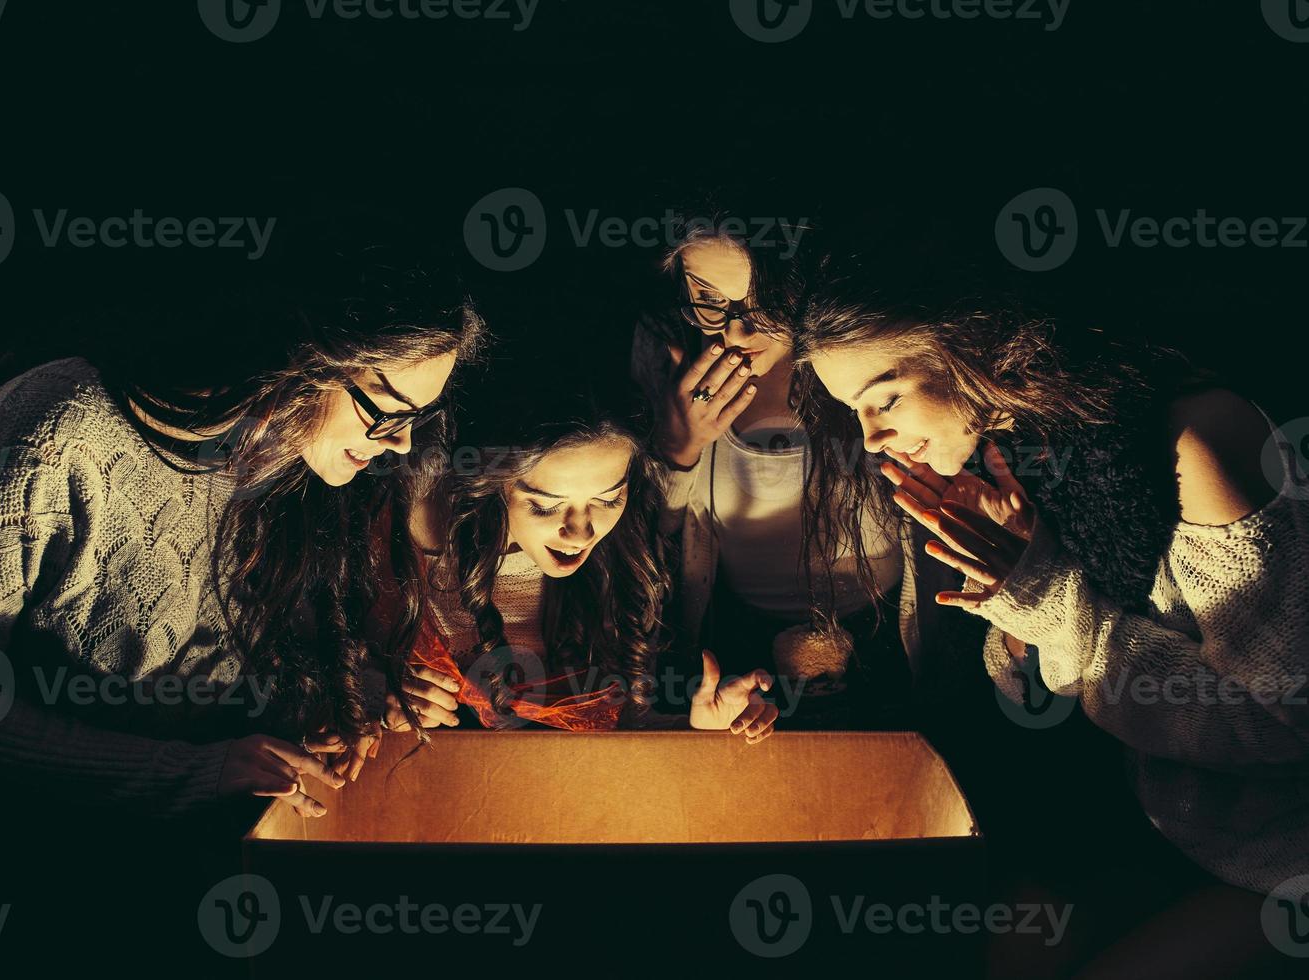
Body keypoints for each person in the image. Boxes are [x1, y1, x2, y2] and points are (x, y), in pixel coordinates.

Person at [0, 247, 486, 820]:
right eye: (388, 412)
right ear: (300, 357)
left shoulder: (299, 466)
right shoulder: (62, 427)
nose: (400, 442)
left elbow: (208, 679)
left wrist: (354, 703)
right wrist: (192, 772)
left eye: (418, 418)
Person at [800, 259, 1308, 977]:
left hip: (1278, 847)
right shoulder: (1019, 446)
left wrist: (1039, 595)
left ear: (967, 344)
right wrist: (1012, 604)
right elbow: (1042, 683)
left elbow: (1281, 725)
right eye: (854, 410)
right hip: (1153, 818)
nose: (872, 436)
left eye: (884, 399)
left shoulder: (1194, 438)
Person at [629, 209, 979, 726]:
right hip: (739, 641)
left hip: (890, 625)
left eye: (763, 301)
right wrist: (675, 451)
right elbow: (637, 537)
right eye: (708, 298)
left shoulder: (859, 355)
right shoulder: (667, 360)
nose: (738, 329)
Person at [360, 340, 779, 747]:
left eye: (608, 499)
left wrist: (699, 732)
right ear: (493, 482)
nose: (581, 533)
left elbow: (618, 735)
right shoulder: (417, 533)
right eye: (545, 506)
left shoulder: (622, 555)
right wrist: (378, 699)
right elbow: (322, 663)